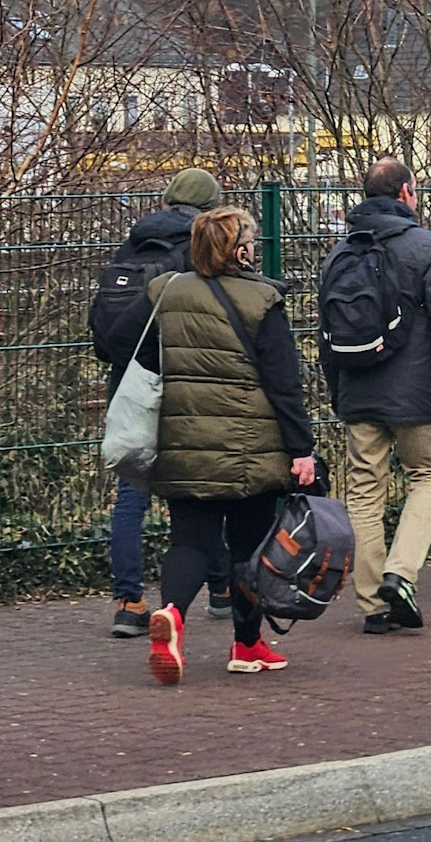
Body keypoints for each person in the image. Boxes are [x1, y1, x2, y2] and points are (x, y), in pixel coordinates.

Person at [105, 207, 316, 685]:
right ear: (238, 249)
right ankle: (246, 645)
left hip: (182, 443)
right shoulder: (263, 299)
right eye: (250, 241)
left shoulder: (166, 292)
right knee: (249, 547)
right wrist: (301, 447)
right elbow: (284, 383)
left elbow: (118, 341)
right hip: (250, 448)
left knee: (190, 543)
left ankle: (173, 615)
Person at [322, 158, 431, 634]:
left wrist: (337, 393)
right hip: (416, 391)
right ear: (406, 192)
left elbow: (325, 330)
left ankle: (373, 608)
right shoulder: (427, 247)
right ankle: (400, 575)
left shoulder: (338, 252)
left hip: (357, 389)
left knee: (365, 492)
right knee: (429, 475)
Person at [91, 168, 234, 639]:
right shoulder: (197, 248)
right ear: (210, 208)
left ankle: (128, 601)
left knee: (131, 496)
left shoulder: (132, 245)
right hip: (179, 384)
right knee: (196, 488)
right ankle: (218, 590)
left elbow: (104, 333)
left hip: (129, 387)